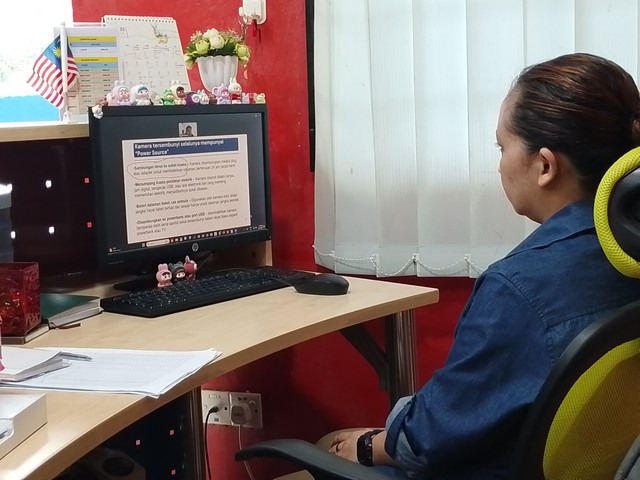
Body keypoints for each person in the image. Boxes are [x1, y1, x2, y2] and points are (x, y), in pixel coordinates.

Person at [326, 53, 640, 479]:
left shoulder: (520, 289)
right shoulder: (628, 256)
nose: (500, 163)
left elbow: (427, 441)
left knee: (327, 445)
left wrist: (366, 445)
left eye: (502, 147)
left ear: (545, 166)